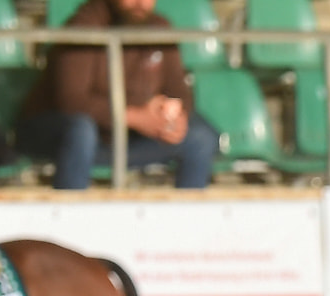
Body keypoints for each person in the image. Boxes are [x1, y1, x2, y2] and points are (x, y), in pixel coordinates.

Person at [16, 0, 218, 192]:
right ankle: (69, 216)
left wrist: (173, 114)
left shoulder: (159, 28)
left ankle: (184, 222)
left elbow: (179, 91)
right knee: (81, 130)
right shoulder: (84, 28)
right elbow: (71, 101)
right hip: (63, 138)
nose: (140, 2)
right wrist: (135, 117)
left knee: (200, 135)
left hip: (125, 139)